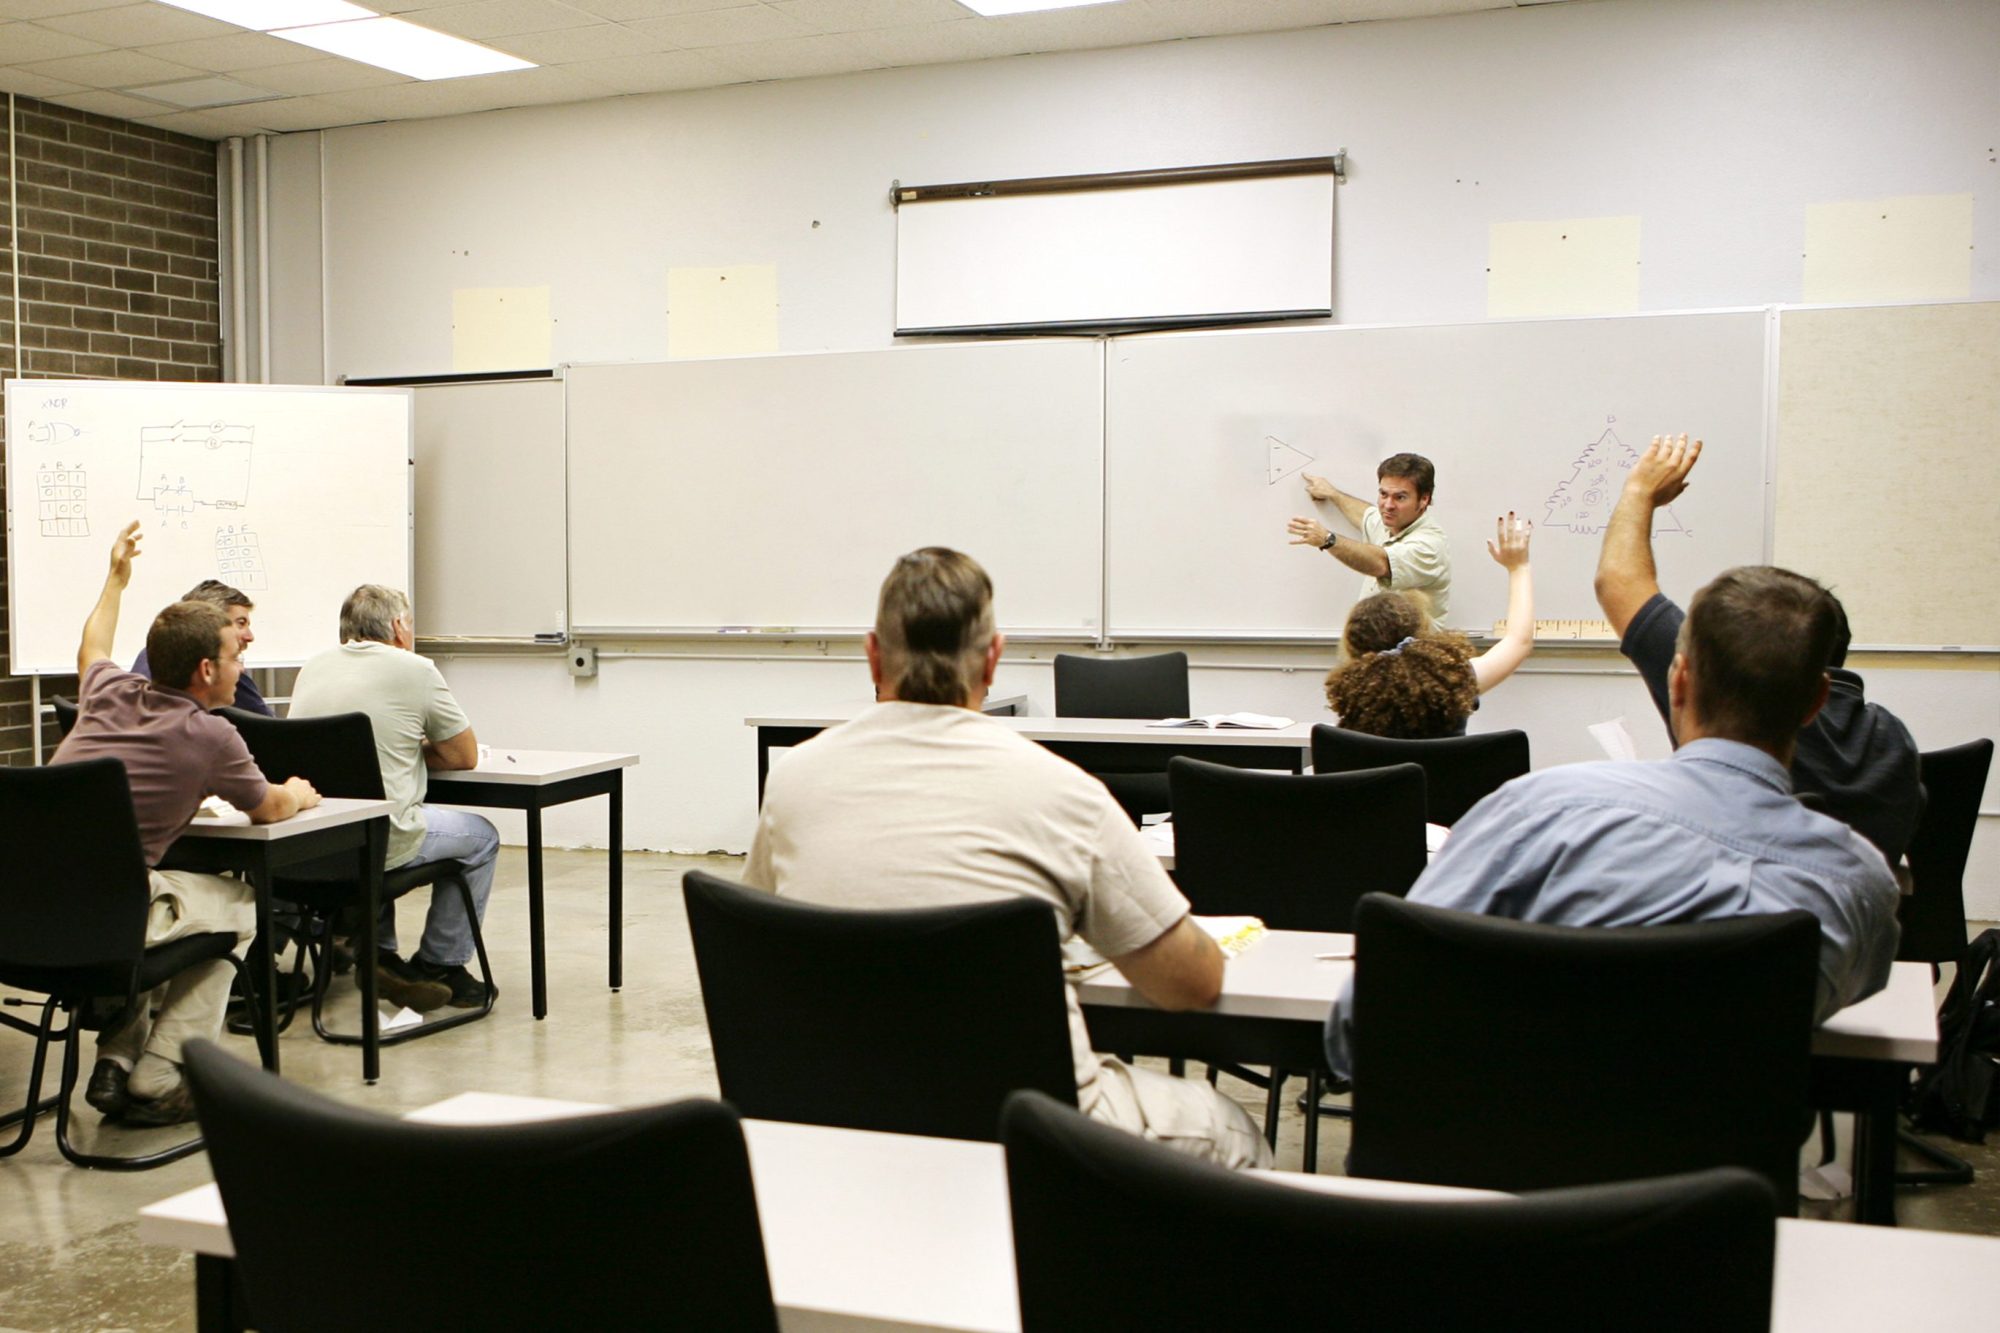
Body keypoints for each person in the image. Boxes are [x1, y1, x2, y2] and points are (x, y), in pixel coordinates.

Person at [745, 548, 1272, 1169]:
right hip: (1031, 1130)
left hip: (842, 1121)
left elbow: (762, 949)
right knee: (1230, 1129)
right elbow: (1192, 985)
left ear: (872, 654)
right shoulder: (1063, 792)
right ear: (992, 659)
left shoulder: (793, 781)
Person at [1325, 561, 1902, 1079]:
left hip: (1482, 1182)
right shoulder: (1860, 885)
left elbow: (1365, 1022)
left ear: (1677, 681)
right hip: (1712, 1193)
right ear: (1816, 701)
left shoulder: (1534, 813)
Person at [51, 521, 320, 1126]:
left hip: (26, 917)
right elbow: (269, 809)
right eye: (237, 655)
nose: (241, 664)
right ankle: (161, 1071)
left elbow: (91, 645)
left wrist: (115, 579)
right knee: (241, 906)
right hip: (111, 917)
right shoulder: (210, 734)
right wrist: (300, 793)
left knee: (171, 913)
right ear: (205, 669)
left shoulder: (108, 691)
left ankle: (117, 1059)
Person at [1594, 434, 1925, 866]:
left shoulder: (1728, 699)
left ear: (1683, 680)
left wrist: (1638, 491)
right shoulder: (1891, 737)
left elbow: (1618, 580)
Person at [289, 586, 499, 1013]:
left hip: (316, 843)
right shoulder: (415, 669)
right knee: (482, 838)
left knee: (374, 812)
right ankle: (440, 963)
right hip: (381, 843)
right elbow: (464, 756)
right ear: (399, 627)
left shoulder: (313, 666)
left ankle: (378, 953)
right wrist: (414, 748)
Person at [1323, 513, 1534, 737]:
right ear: (1419, 633)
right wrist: (1518, 568)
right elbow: (1518, 641)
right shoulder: (1453, 680)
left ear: (1353, 645)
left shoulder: (1352, 694)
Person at [1288, 453, 1453, 624]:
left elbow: (1382, 563)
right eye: (1383, 494)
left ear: (1424, 499)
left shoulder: (1430, 545)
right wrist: (1333, 494)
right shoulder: (1390, 522)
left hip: (1411, 649)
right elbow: (1364, 514)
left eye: (1400, 497)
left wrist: (1328, 540)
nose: (1388, 505)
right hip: (1376, 646)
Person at [130, 579, 275, 716]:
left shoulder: (149, 655)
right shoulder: (222, 668)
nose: (250, 636)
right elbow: (272, 731)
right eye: (240, 623)